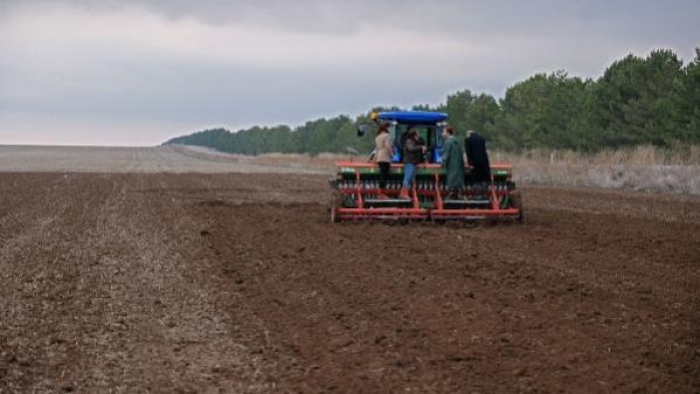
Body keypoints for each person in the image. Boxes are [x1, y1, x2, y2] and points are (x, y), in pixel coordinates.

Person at [398, 129, 426, 200]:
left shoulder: (414, 142)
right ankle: (404, 194)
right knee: (407, 178)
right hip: (409, 162)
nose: (418, 136)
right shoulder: (409, 141)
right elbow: (411, 149)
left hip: (413, 162)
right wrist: (421, 147)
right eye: (417, 134)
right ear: (414, 135)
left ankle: (402, 193)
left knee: (410, 178)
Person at [441, 125, 465, 199]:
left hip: (451, 166)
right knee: (457, 183)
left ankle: (451, 196)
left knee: (452, 182)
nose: (442, 133)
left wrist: (442, 163)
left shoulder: (448, 142)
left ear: (448, 133)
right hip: (459, 166)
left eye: (443, 132)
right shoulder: (457, 141)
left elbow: (446, 155)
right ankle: (457, 195)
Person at [372, 123, 392, 200]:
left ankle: (380, 193)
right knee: (384, 176)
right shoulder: (387, 136)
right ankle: (381, 193)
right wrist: (391, 155)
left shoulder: (377, 137)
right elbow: (388, 147)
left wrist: (374, 160)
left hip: (379, 158)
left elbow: (376, 149)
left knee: (382, 175)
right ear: (386, 128)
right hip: (385, 157)